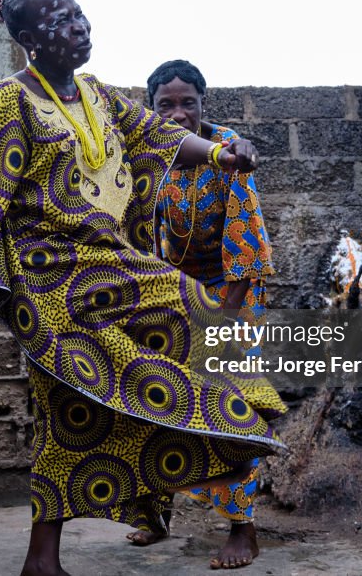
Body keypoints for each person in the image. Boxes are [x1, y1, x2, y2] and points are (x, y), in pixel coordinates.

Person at [0, 0, 285, 576]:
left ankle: (51, 554)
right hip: (50, 279)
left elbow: (158, 134)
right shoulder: (10, 104)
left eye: (79, 13)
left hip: (110, 267)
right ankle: (47, 554)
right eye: (60, 20)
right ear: (31, 40)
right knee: (69, 402)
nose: (78, 26)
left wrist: (222, 153)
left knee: (197, 327)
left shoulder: (97, 95)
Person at [124, 59, 285, 569]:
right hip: (167, 291)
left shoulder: (230, 152)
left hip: (230, 291)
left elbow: (245, 244)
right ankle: (153, 514)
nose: (177, 113)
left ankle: (244, 528)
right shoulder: (143, 156)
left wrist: (220, 320)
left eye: (187, 103)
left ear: (202, 105)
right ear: (151, 109)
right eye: (165, 104)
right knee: (150, 393)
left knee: (229, 401)